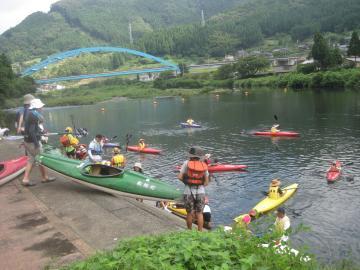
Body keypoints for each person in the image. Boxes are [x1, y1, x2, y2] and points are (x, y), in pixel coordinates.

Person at [22, 98, 55, 186]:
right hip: (33, 143)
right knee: (41, 158)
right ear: (36, 107)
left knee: (31, 160)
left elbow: (31, 130)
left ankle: (25, 179)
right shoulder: (33, 116)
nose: (42, 108)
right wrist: (37, 143)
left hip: (27, 141)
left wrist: (42, 132)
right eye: (41, 106)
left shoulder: (30, 113)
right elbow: (32, 131)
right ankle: (45, 177)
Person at [178, 146, 209, 231]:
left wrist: (187, 183)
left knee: (189, 213)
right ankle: (200, 233)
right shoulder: (204, 165)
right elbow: (206, 183)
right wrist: (199, 184)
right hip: (201, 192)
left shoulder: (186, 163)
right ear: (200, 156)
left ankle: (189, 231)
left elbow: (180, 177)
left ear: (190, 155)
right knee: (199, 213)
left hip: (188, 192)